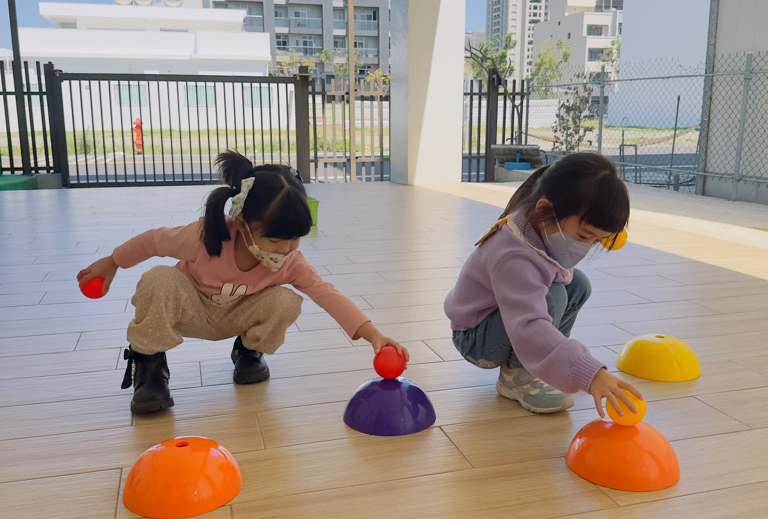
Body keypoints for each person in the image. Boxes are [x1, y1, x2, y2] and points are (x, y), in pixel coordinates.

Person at [77, 151, 409, 415]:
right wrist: (112, 262)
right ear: (242, 222)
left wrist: (374, 336)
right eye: (275, 240)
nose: (287, 249)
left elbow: (327, 294)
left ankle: (248, 353)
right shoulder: (207, 235)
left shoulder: (289, 261)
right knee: (158, 278)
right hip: (189, 311)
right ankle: (150, 370)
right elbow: (153, 241)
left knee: (286, 301)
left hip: (237, 317)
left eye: (295, 238)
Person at [444, 152, 643, 416]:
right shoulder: (514, 257)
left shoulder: (535, 226)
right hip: (477, 341)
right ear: (546, 210)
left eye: (597, 241)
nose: (587, 246)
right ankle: (518, 377)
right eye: (584, 236)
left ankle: (544, 363)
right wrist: (590, 373)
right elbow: (529, 325)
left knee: (578, 285)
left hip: (500, 323)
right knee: (553, 296)